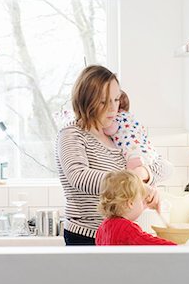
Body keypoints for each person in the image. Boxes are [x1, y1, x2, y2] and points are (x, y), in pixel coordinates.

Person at [55, 65, 172, 245]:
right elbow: (79, 177)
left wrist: (143, 175)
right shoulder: (72, 133)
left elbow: (165, 167)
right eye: (103, 101)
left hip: (117, 233)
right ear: (85, 100)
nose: (113, 108)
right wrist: (133, 185)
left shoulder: (118, 133)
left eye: (116, 99)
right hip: (86, 236)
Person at [95, 170, 176, 245]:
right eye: (142, 200)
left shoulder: (102, 228)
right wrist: (178, 248)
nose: (144, 206)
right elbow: (149, 243)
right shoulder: (126, 228)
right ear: (130, 203)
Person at [103, 91, 161, 171]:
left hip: (134, 152)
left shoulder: (117, 117)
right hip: (149, 151)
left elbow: (110, 130)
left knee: (132, 173)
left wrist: (102, 127)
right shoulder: (131, 117)